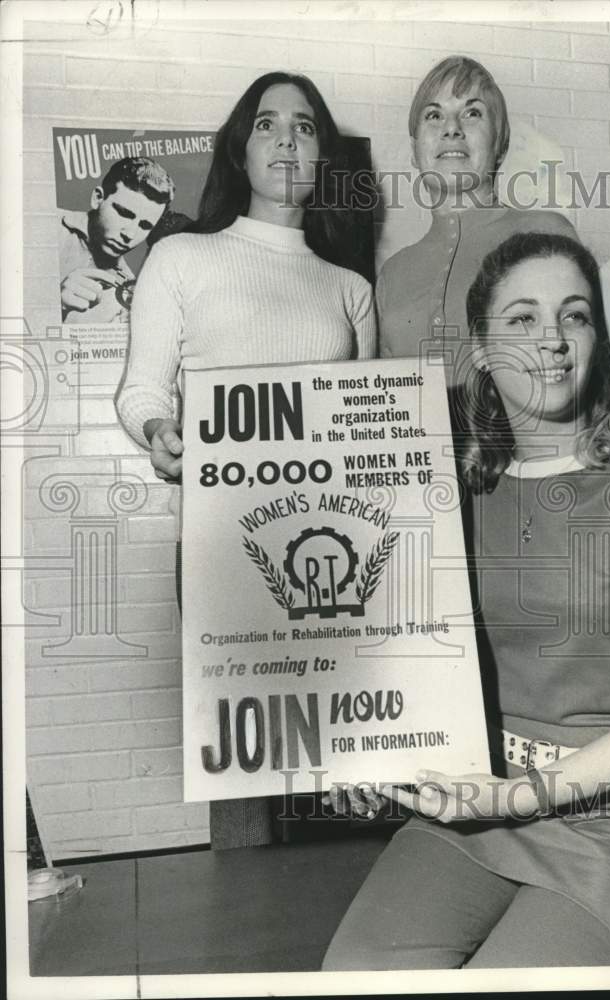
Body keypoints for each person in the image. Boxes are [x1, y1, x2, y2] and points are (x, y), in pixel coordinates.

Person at [322, 231, 610, 969]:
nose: (553, 340)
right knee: (356, 975)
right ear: (478, 347)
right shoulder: (451, 491)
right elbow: (402, 655)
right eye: (522, 319)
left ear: (597, 338)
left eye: (574, 316)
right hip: (486, 798)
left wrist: (519, 798)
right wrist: (364, 757)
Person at [116, 71, 377, 847]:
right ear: (243, 146)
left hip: (334, 550)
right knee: (248, 768)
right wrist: (160, 430)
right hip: (219, 546)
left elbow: (372, 429)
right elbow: (139, 391)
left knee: (346, 754)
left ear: (322, 154)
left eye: (304, 126)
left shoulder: (350, 286)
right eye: (268, 124)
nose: (287, 138)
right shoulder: (182, 258)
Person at [377, 56, 576, 381]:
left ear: (500, 142)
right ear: (414, 151)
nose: (452, 128)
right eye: (433, 115)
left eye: (472, 113)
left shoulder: (547, 232)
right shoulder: (391, 275)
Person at [59, 157, 174, 323]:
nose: (130, 234)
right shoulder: (43, 225)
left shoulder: (129, 291)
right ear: (98, 198)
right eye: (124, 213)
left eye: (145, 226)